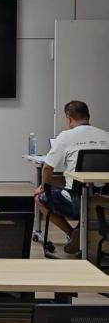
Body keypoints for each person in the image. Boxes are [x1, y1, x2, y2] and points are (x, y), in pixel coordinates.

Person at [35, 100, 109, 254]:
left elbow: (47, 167)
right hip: (104, 201)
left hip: (76, 201)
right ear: (88, 116)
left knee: (40, 198)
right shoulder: (106, 135)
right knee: (89, 201)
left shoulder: (65, 136)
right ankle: (82, 235)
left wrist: (42, 187)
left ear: (69, 117)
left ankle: (73, 234)